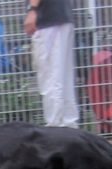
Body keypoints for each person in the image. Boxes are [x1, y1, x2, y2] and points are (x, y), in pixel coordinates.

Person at [23, 0, 79, 128]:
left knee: (50, 79)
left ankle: (55, 126)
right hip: (60, 16)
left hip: (47, 19)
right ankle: (69, 126)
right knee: (64, 79)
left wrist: (32, 10)